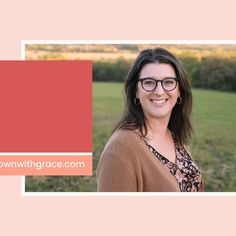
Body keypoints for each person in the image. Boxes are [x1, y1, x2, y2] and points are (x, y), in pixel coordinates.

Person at [96, 47, 204, 192]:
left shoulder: (175, 137)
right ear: (136, 91)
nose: (159, 91)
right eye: (149, 82)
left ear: (179, 91)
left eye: (168, 82)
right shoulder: (119, 151)